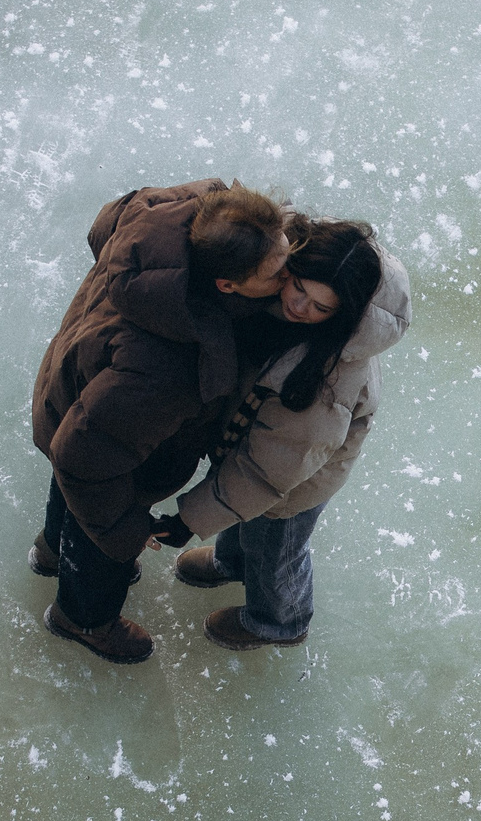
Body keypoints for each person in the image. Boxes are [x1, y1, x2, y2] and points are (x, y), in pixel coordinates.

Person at [27, 179, 290, 665]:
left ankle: (50, 548)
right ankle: (82, 618)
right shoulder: (164, 366)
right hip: (111, 446)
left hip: (72, 389)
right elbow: (83, 461)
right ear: (226, 286)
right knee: (100, 537)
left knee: (71, 493)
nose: (287, 278)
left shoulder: (170, 215)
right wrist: (126, 530)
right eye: (275, 274)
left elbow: (106, 221)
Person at [168, 219, 407, 651]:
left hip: (294, 483)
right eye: (297, 287)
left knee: (276, 548)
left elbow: (266, 474)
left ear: (344, 312)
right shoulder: (309, 288)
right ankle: (232, 562)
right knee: (247, 523)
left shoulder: (325, 384)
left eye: (320, 307)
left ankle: (280, 620)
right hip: (263, 452)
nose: (299, 307)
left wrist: (190, 520)